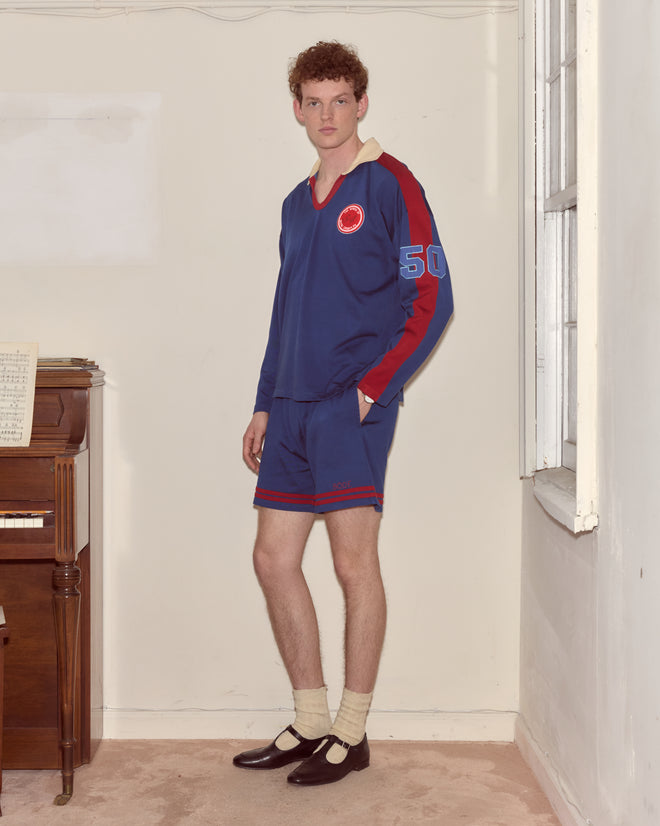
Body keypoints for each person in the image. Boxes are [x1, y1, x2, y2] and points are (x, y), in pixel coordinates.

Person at [235, 41, 453, 786]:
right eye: (313, 101)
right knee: (273, 559)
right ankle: (311, 718)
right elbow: (283, 310)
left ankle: (352, 731)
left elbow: (432, 297)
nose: (327, 115)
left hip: (350, 409)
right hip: (290, 409)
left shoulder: (394, 185)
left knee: (352, 563)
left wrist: (373, 390)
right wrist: (265, 401)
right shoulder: (297, 203)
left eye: (340, 100)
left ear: (362, 104)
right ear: (297, 109)